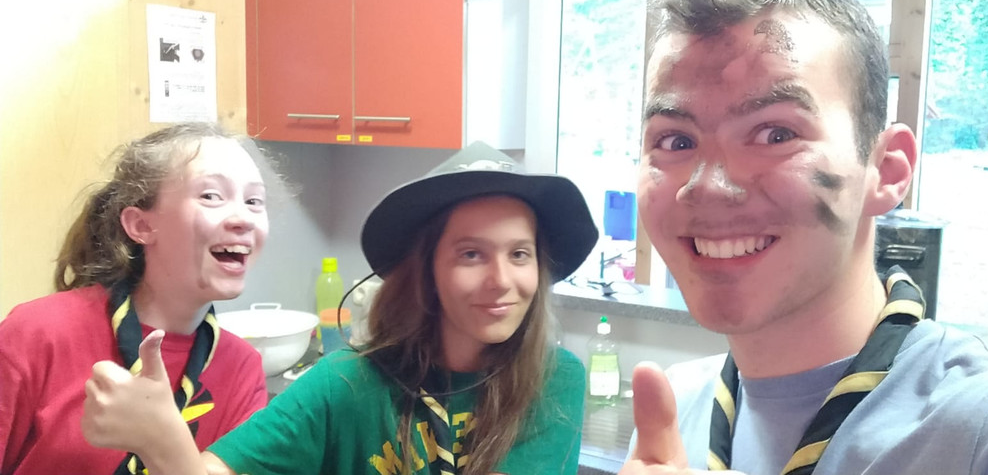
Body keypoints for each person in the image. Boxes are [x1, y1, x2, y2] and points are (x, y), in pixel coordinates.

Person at [621, 0, 988, 475]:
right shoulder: (672, 414)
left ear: (886, 170)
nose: (709, 186)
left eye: (776, 134)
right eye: (675, 141)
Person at [81, 141, 600, 475]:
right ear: (427, 270)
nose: (502, 280)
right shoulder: (346, 385)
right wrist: (163, 439)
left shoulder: (553, 380)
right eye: (471, 254)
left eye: (520, 254)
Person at [0, 123, 271, 475]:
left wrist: (162, 443)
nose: (243, 219)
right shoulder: (38, 334)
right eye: (211, 196)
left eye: (254, 202)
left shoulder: (242, 368)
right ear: (141, 226)